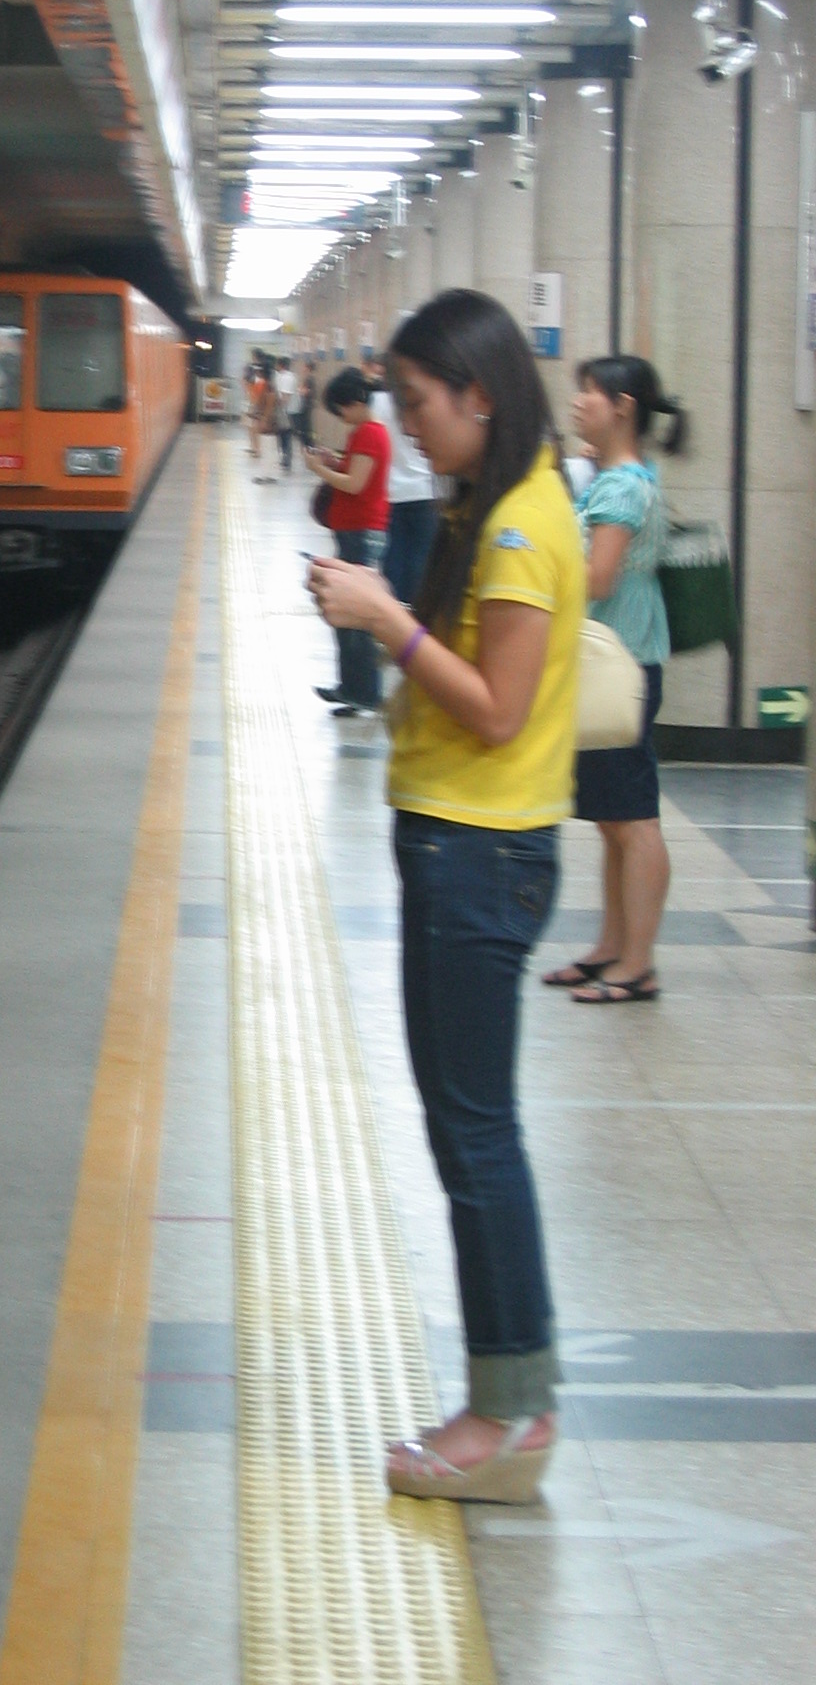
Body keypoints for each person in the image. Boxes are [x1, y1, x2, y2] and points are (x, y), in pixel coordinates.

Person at [307, 289, 583, 1503]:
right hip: (461, 843)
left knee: (476, 1133)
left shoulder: (519, 525)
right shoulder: (498, 500)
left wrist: (384, 620)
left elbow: (499, 708)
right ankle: (511, 1398)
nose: (408, 427)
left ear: (479, 392)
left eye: (419, 404)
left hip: (481, 851)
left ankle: (510, 1412)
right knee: (466, 1126)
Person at [543, 356, 682, 1006]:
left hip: (619, 669)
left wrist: (541, 560)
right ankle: (612, 947)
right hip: (618, 662)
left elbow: (598, 577)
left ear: (622, 407)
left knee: (633, 820)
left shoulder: (621, 487)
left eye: (589, 394)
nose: (577, 404)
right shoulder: (621, 477)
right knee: (613, 819)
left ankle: (638, 964)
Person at [303, 366, 391, 717]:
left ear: (354, 402)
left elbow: (355, 484)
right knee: (346, 614)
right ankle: (351, 688)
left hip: (361, 534)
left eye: (340, 409)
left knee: (356, 618)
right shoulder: (364, 432)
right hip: (353, 531)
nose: (340, 417)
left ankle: (364, 693)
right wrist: (335, 461)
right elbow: (356, 472)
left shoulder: (370, 433)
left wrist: (319, 470)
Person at [371, 364, 440, 605]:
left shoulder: (376, 402)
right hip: (425, 490)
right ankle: (416, 611)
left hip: (391, 491)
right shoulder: (426, 400)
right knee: (422, 558)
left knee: (393, 557)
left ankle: (393, 609)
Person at [274, 357, 298, 471]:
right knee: (283, 434)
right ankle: (285, 457)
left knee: (285, 434)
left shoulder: (286, 377)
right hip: (287, 409)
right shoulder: (287, 376)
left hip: (286, 410)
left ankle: (286, 458)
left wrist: (280, 408)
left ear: (281, 365)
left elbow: (285, 396)